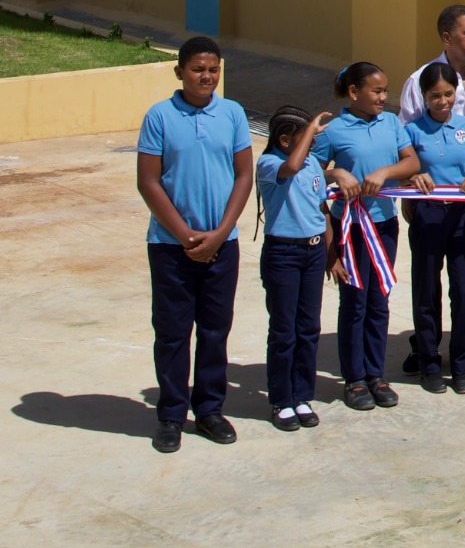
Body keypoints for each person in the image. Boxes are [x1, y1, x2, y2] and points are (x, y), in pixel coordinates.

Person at [136, 37, 254, 454]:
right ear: (180, 72)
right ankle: (171, 415)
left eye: (213, 69)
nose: (207, 77)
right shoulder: (159, 116)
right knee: (172, 333)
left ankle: (208, 410)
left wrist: (221, 233)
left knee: (215, 330)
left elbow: (244, 176)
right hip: (171, 248)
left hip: (223, 244)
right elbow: (149, 181)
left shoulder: (233, 113)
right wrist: (186, 236)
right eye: (198, 69)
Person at [302, 61, 420, 412]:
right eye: (377, 91)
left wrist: (385, 172)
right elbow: (311, 173)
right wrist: (336, 172)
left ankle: (375, 374)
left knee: (379, 300)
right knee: (355, 302)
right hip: (350, 227)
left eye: (385, 90)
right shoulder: (334, 131)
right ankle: (354, 378)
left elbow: (411, 163)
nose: (384, 97)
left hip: (384, 225)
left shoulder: (391, 123)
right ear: (354, 93)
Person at [399, 4, 465, 375]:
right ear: (447, 38)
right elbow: (406, 143)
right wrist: (410, 186)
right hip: (430, 201)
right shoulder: (418, 80)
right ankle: (425, 351)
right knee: (427, 280)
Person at [403, 63, 465, 396]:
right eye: (435, 95)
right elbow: (403, 168)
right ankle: (429, 363)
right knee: (426, 290)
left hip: (463, 214)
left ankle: (461, 364)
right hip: (428, 214)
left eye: (448, 94)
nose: (442, 101)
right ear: (424, 96)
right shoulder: (411, 131)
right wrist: (412, 177)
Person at [256, 105, 332, 432]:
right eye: (306, 139)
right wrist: (311, 129)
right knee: (284, 330)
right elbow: (291, 166)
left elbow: (321, 207)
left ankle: (302, 395)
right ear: (285, 140)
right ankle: (281, 399)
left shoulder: (311, 162)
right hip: (283, 254)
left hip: (313, 252)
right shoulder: (269, 163)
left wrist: (330, 252)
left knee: (308, 327)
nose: (312, 145)